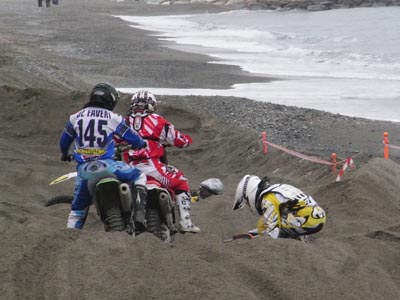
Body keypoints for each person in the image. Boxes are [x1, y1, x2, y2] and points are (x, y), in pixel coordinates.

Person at [59, 83, 148, 233]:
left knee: (77, 211)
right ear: (111, 100)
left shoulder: (75, 118)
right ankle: (139, 214)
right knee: (140, 176)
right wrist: (141, 143)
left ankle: (69, 237)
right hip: (109, 167)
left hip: (85, 171)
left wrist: (65, 154)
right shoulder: (113, 118)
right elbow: (134, 138)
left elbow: (64, 142)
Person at [116, 90, 200, 233]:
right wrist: (187, 140)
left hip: (129, 169)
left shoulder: (123, 122)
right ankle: (186, 222)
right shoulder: (157, 120)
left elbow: (113, 141)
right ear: (151, 105)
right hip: (153, 168)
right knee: (181, 181)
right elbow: (180, 141)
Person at [233, 175, 326, 240]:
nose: (249, 206)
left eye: (248, 203)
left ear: (250, 193)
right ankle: (301, 236)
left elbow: (270, 228)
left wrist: (259, 235)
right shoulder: (277, 189)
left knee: (268, 225)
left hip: (308, 220)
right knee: (279, 218)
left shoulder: (267, 198)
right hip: (317, 217)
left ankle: (296, 239)